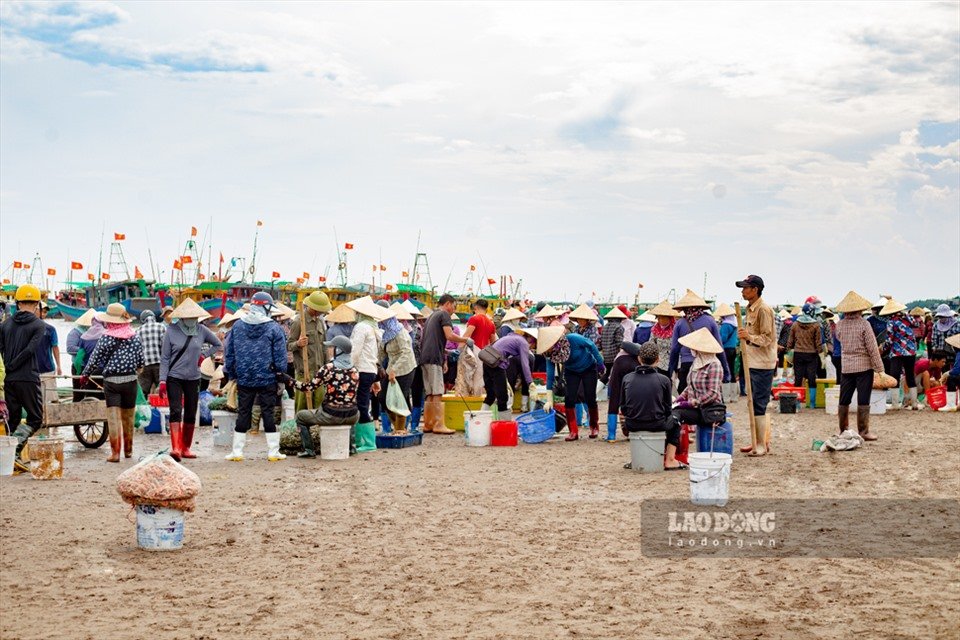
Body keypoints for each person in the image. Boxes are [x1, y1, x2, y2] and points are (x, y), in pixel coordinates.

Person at [223, 292, 289, 462]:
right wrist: (280, 375)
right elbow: (280, 356)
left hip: (244, 376)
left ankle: (237, 452)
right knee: (268, 412)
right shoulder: (274, 328)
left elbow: (229, 353)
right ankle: (273, 452)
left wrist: (232, 374)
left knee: (243, 412)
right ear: (265, 307)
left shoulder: (237, 326)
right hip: (268, 377)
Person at [159, 299, 221, 460]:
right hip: (174, 377)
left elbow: (217, 344)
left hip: (194, 377)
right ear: (181, 317)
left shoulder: (201, 330)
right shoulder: (171, 331)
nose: (191, 319)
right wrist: (162, 380)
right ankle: (176, 448)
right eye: (188, 316)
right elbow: (165, 358)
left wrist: (203, 356)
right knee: (176, 410)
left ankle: (186, 447)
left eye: (194, 316)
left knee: (191, 412)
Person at [82, 303, 145, 462]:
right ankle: (128, 451)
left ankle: (115, 453)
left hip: (111, 382)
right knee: (128, 417)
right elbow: (141, 362)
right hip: (130, 381)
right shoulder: (135, 337)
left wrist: (85, 374)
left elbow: (94, 359)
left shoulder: (106, 337)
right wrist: (133, 370)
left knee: (113, 418)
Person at [1, 285, 47, 472]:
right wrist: (15, 364)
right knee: (35, 418)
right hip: (28, 377)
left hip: (10, 380)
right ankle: (16, 449)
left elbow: (1, 350)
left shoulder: (4, 325)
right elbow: (30, 350)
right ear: (37, 304)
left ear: (18, 302)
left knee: (12, 419)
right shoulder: (39, 325)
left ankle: (7, 456)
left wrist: (9, 367)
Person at [619, 341, 685, 470]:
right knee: (676, 420)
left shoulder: (627, 378)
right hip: (657, 423)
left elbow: (623, 407)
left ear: (639, 358)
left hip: (632, 423)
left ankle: (637, 458)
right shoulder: (664, 380)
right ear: (658, 360)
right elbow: (667, 409)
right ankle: (670, 459)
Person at [291, 335, 360, 458]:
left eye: (332, 347)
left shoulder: (328, 368)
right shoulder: (355, 370)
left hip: (331, 415)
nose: (329, 350)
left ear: (338, 351)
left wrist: (289, 381)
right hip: (353, 416)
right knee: (348, 408)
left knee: (300, 417)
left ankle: (309, 450)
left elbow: (308, 388)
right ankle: (351, 447)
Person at [834, 291, 885, 441]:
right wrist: (880, 369)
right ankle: (863, 431)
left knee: (844, 399)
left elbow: (839, 339)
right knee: (863, 399)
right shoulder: (864, 324)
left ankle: (843, 429)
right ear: (860, 309)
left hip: (846, 366)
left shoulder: (839, 325)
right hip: (863, 366)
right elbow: (872, 348)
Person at [735, 275, 777, 456]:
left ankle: (760, 444)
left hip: (762, 363)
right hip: (751, 361)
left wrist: (748, 337)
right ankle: (757, 440)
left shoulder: (763, 310)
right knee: (752, 402)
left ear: (755, 289)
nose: (743, 291)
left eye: (746, 288)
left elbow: (767, 338)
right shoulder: (750, 309)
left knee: (759, 402)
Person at [538, 325, 604, 440]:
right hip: (572, 371)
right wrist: (549, 400)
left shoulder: (573, 339)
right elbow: (550, 376)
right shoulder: (550, 355)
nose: (547, 350)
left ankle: (594, 426)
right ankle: (573, 431)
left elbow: (591, 345)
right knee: (569, 398)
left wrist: (600, 363)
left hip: (589, 368)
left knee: (589, 397)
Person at [420, 294, 472, 434]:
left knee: (430, 393)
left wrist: (447, 352)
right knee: (437, 391)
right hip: (433, 358)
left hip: (425, 357)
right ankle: (438, 424)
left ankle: (428, 424)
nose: (454, 309)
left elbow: (431, 340)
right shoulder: (444, 315)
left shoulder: (431, 316)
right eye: (454, 305)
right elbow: (449, 335)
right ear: (448, 304)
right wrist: (465, 339)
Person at [669, 290, 730, 393]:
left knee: (687, 400)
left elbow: (674, 349)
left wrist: (671, 370)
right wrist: (726, 371)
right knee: (708, 397)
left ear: (684, 309)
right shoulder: (710, 321)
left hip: (686, 365)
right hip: (708, 364)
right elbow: (719, 348)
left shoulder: (679, 324)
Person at [671, 328, 725, 429]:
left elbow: (713, 393)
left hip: (709, 409)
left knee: (677, 414)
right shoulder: (697, 362)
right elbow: (691, 385)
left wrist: (692, 403)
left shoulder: (714, 365)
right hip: (697, 408)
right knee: (672, 413)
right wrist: (679, 399)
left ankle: (672, 444)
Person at [288, 291, 332, 412]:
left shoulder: (320, 322)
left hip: (319, 372)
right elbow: (288, 346)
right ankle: (301, 430)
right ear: (313, 308)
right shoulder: (298, 322)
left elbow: (324, 346)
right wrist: (298, 344)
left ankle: (315, 430)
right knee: (302, 406)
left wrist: (327, 367)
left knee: (319, 404)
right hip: (304, 372)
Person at [377, 305, 417, 432]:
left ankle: (401, 429)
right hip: (391, 368)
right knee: (383, 398)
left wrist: (395, 370)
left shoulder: (400, 332)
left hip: (405, 368)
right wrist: (376, 365)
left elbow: (406, 352)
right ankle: (397, 427)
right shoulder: (384, 333)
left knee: (400, 399)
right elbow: (381, 353)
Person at [480, 327, 533, 422]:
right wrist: (530, 382)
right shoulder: (523, 343)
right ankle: (505, 425)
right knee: (502, 397)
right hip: (496, 363)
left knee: (491, 395)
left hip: (486, 360)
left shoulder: (511, 336)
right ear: (531, 340)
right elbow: (525, 364)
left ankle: (479, 421)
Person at [880, 298, 921, 410]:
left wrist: (882, 349)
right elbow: (917, 324)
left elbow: (889, 340)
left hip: (897, 352)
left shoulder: (891, 322)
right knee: (910, 376)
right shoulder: (909, 317)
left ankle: (895, 405)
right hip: (911, 351)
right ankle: (914, 404)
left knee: (895, 376)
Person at [786, 303, 824, 409]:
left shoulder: (795, 324)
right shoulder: (816, 325)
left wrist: (789, 351)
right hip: (811, 355)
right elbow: (818, 342)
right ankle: (812, 404)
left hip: (798, 354)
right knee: (812, 378)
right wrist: (821, 354)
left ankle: (797, 404)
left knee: (798, 378)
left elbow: (790, 340)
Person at [606, 341, 641, 442]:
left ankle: (611, 435)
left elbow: (611, 377)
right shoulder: (637, 356)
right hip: (634, 367)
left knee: (614, 401)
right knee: (632, 400)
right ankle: (633, 432)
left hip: (619, 367)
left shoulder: (619, 356)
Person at [34, 302, 62, 404]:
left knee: (52, 397)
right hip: (32, 369)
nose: (43, 314)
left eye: (45, 312)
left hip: (47, 368)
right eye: (42, 311)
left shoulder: (50, 329)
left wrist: (59, 365)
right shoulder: (27, 329)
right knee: (36, 399)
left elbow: (55, 348)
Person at [136, 309, 166, 396]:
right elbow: (165, 347)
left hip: (145, 366)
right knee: (163, 391)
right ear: (153, 317)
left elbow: (138, 350)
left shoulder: (138, 330)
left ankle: (143, 408)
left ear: (142, 320)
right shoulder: (162, 327)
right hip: (160, 364)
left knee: (143, 392)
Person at [715, 303, 740, 403]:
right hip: (733, 349)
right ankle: (734, 396)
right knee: (732, 370)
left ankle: (726, 397)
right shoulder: (734, 324)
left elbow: (723, 338)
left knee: (725, 371)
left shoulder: (726, 325)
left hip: (725, 350)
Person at [647, 301, 679, 376]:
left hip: (674, 361)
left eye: (663, 318)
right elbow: (651, 344)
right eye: (659, 318)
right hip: (659, 362)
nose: (661, 320)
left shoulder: (676, 328)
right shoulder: (655, 329)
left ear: (670, 318)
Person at [599, 307, 627, 383]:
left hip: (606, 355)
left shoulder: (605, 326)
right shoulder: (619, 327)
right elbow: (619, 343)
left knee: (607, 373)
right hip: (614, 356)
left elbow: (601, 341)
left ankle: (598, 388)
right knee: (614, 376)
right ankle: (611, 393)